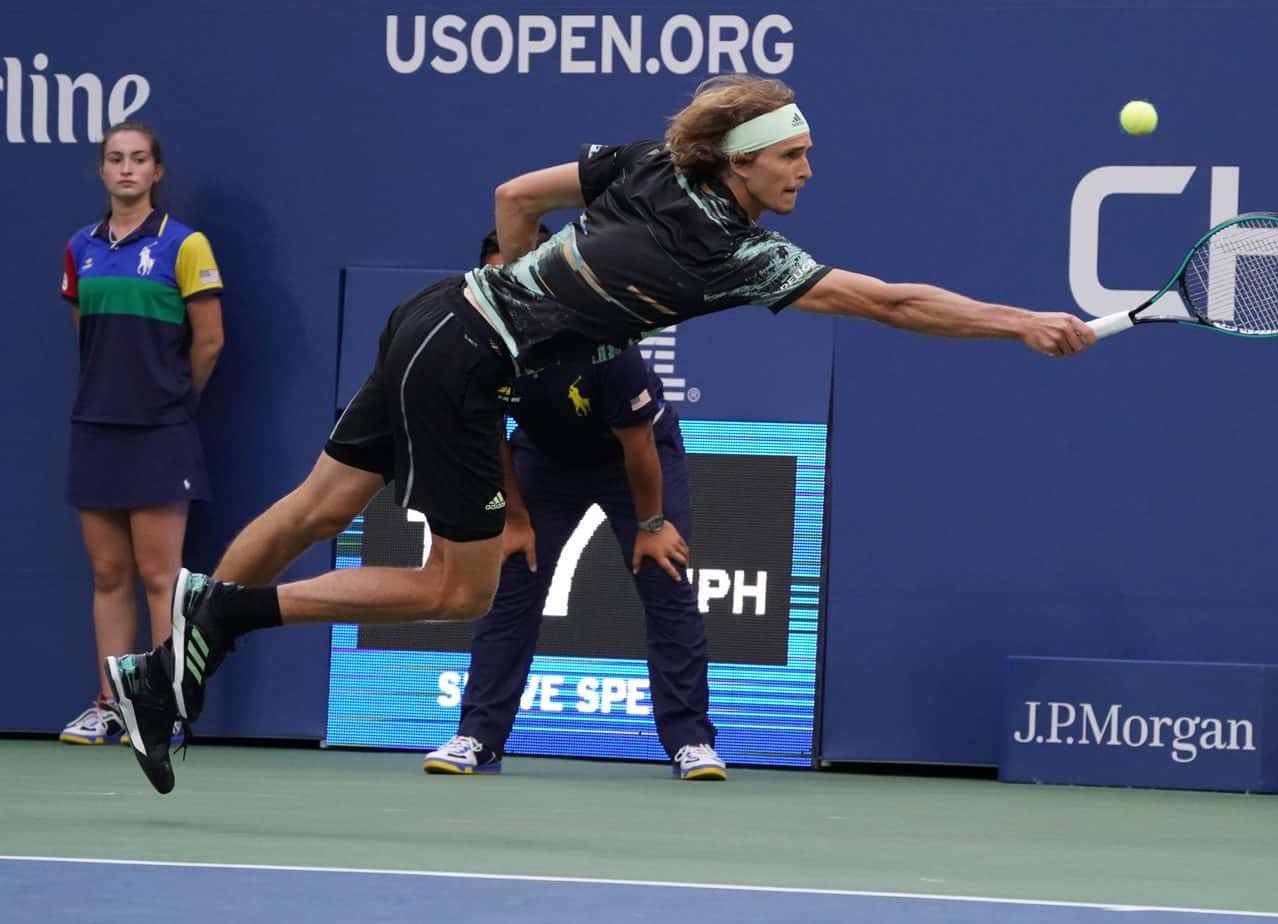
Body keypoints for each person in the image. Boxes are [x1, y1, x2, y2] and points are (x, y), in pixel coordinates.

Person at [103, 75, 1094, 794]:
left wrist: (522, 300)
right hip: (467, 360)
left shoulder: (651, 166)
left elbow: (513, 199)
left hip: (435, 313)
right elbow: (891, 302)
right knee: (461, 586)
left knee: (317, 506)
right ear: (745, 158)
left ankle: (170, 677)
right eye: (794, 154)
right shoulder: (737, 254)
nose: (808, 169)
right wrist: (1019, 322)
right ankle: (217, 618)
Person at [421, 229, 723, 781]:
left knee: (664, 575)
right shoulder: (480, 343)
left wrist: (652, 525)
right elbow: (488, 433)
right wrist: (514, 519)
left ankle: (691, 742)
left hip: (632, 455)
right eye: (497, 276)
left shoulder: (604, 335)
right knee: (511, 578)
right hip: (545, 458)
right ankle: (479, 737)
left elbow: (637, 445)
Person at [59, 121, 223, 747]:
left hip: (161, 431)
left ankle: (162, 707)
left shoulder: (186, 245)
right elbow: (87, 331)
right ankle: (109, 704)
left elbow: (210, 341)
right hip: (95, 427)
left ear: (158, 172)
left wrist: (174, 401)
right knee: (107, 573)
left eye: (138, 159)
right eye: (114, 159)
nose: (126, 169)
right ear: (101, 172)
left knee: (162, 577)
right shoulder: (80, 247)